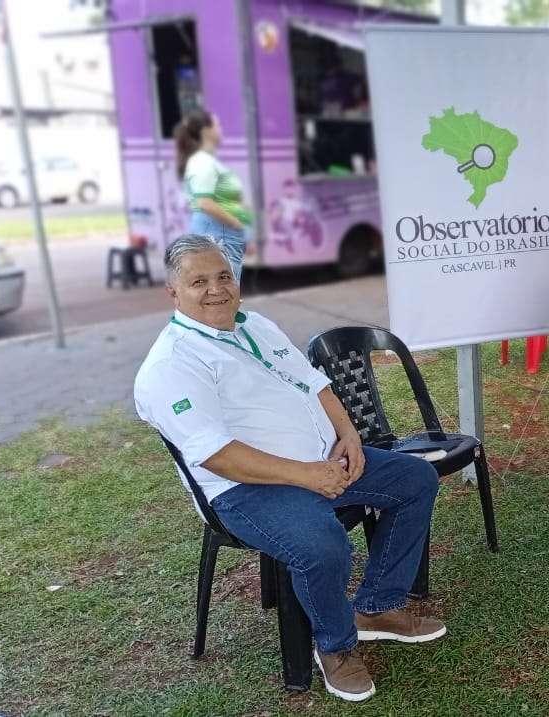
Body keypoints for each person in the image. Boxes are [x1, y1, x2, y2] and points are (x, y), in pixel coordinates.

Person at [134, 234, 445, 702]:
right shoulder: (171, 365)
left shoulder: (254, 324)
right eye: (199, 281)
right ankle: (336, 647)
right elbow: (218, 455)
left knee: (415, 479)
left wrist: (349, 435)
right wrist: (307, 476)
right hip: (243, 489)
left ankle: (377, 607)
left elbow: (315, 384)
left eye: (224, 276)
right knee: (321, 542)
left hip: (321, 460)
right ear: (173, 294)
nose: (217, 289)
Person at [174, 109, 253, 281]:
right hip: (218, 234)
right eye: (218, 125)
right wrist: (237, 225)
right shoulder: (202, 162)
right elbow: (205, 203)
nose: (221, 129)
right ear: (206, 130)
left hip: (221, 235)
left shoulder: (206, 161)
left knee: (225, 290)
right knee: (223, 291)